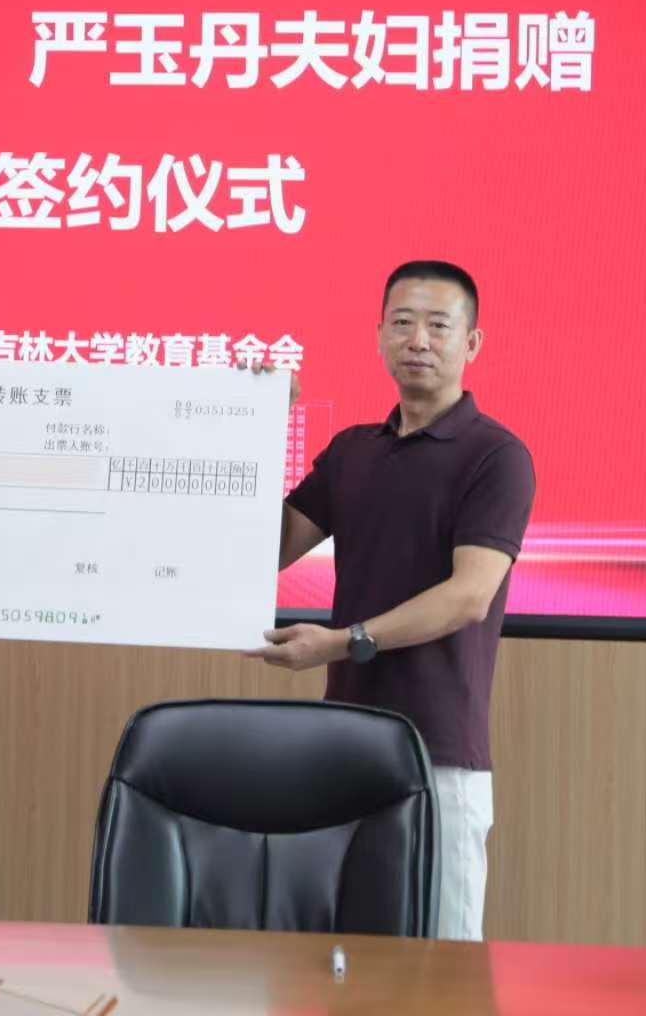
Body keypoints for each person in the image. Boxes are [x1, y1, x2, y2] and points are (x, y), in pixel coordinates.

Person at [247, 259, 536, 942]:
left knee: (444, 969)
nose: (418, 340)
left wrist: (344, 642)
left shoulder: (497, 456)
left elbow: (468, 596)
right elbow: (264, 550)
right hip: (345, 743)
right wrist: (257, 428)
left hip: (440, 753)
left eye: (439, 325)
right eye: (402, 323)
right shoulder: (353, 452)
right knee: (341, 959)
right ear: (379, 336)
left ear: (472, 343)